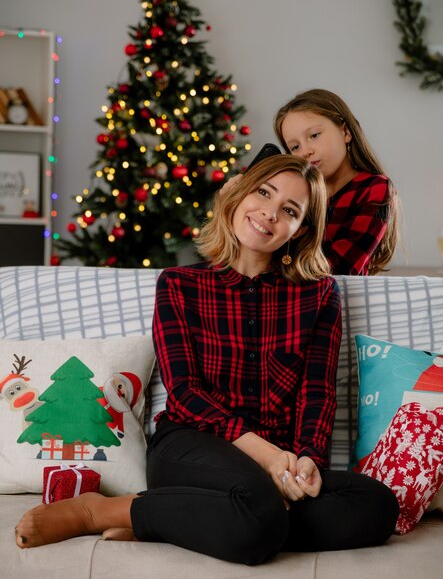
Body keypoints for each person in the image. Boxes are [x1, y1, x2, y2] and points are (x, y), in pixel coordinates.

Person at [14, 155, 399, 564]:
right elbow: (184, 394)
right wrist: (268, 458)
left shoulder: (319, 294)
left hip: (276, 461)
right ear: (238, 195)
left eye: (289, 210)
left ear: (300, 229)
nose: (269, 213)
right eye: (263, 193)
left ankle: (193, 520)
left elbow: (316, 392)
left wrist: (306, 461)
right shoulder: (180, 285)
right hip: (189, 445)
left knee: (376, 505)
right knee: (258, 512)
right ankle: (102, 510)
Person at [274, 88, 399, 275]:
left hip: (339, 298)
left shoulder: (374, 188)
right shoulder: (298, 195)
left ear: (346, 132)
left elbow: (342, 266)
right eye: (295, 146)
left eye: (314, 135)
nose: (305, 151)